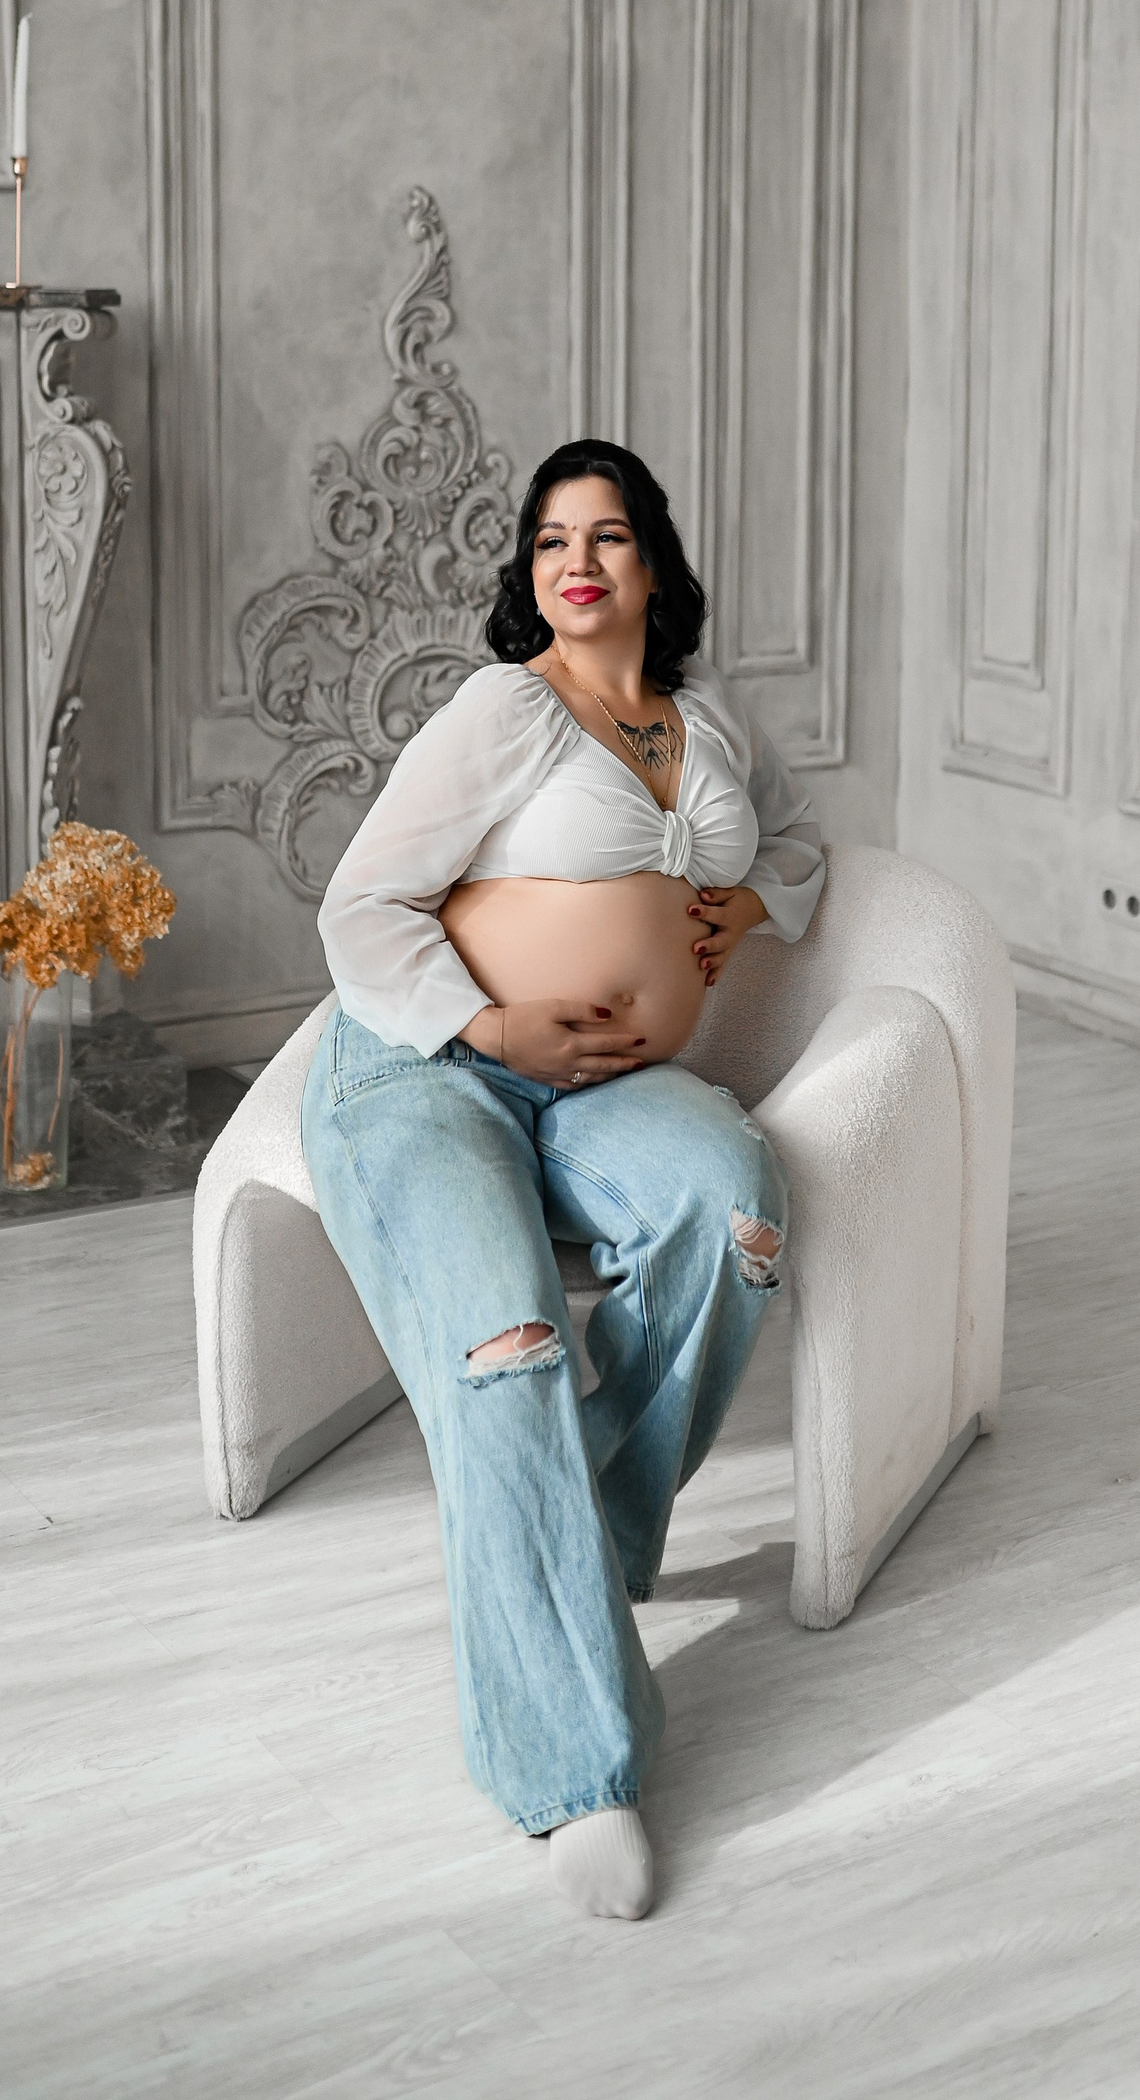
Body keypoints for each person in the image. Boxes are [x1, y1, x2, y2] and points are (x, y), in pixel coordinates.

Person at [306, 440, 826, 1919]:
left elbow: (798, 838)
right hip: (428, 1066)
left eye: (606, 536)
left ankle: (568, 1541)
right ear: (529, 573)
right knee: (510, 1345)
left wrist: (749, 901)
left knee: (736, 1212)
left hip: (600, 1093)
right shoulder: (505, 708)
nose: (577, 563)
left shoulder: (709, 723)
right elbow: (359, 903)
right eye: (550, 541)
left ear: (654, 563)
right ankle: (576, 1770)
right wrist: (485, 1026)